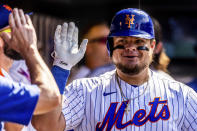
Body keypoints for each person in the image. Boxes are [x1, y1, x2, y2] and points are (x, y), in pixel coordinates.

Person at [33, 8, 197, 131]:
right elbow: (45, 126)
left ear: (153, 46)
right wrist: (61, 68)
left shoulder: (181, 95)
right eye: (123, 42)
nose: (130, 48)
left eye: (139, 41)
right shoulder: (84, 90)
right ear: (110, 47)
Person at [0, 6, 61, 130]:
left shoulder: (7, 76)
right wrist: (30, 48)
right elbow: (50, 98)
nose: (23, 32)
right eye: (13, 28)